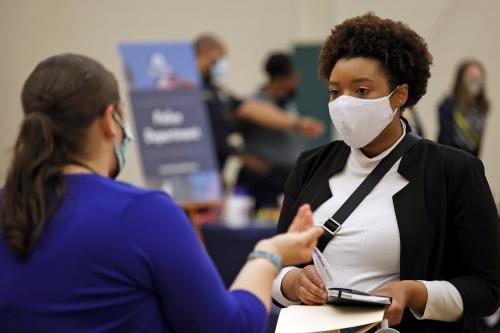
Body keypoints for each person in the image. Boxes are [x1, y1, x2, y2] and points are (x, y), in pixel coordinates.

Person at [0, 54, 324, 333]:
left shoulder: (10, 203)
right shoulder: (144, 214)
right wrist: (268, 255)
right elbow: (229, 327)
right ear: (109, 122)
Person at [271, 13, 500, 332]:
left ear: (399, 95)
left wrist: (415, 293)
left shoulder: (453, 171)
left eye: (361, 91)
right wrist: (294, 283)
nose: (344, 104)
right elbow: (275, 268)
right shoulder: (311, 166)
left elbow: (488, 289)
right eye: (335, 93)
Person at [194, 34, 323, 174]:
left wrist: (298, 123)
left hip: (216, 171)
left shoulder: (216, 91)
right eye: (219, 57)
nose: (221, 63)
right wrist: (242, 155)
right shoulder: (186, 90)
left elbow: (248, 108)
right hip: (195, 167)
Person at [238, 52, 305, 208]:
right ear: (283, 78)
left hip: (289, 177)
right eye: (293, 75)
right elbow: (227, 134)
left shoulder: (286, 102)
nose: (297, 79)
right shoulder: (254, 104)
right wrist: (243, 156)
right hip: (265, 180)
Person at [437, 60, 490, 157]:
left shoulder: (482, 107)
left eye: (478, 76)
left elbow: (477, 142)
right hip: (450, 160)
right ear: (461, 78)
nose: (475, 79)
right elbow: (446, 141)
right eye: (471, 75)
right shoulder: (448, 104)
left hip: (471, 161)